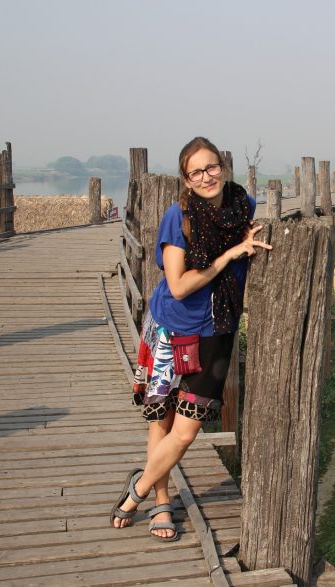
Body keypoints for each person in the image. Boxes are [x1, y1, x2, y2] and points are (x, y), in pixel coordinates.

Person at [111, 136, 272, 541]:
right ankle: (162, 502)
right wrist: (231, 254)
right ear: (186, 179)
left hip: (218, 330)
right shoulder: (177, 216)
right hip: (172, 327)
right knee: (161, 422)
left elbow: (250, 238)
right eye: (197, 171)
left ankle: (138, 488)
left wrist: (252, 240)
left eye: (212, 166)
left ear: (224, 166)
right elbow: (179, 286)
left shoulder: (243, 205)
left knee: (186, 431)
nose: (207, 176)